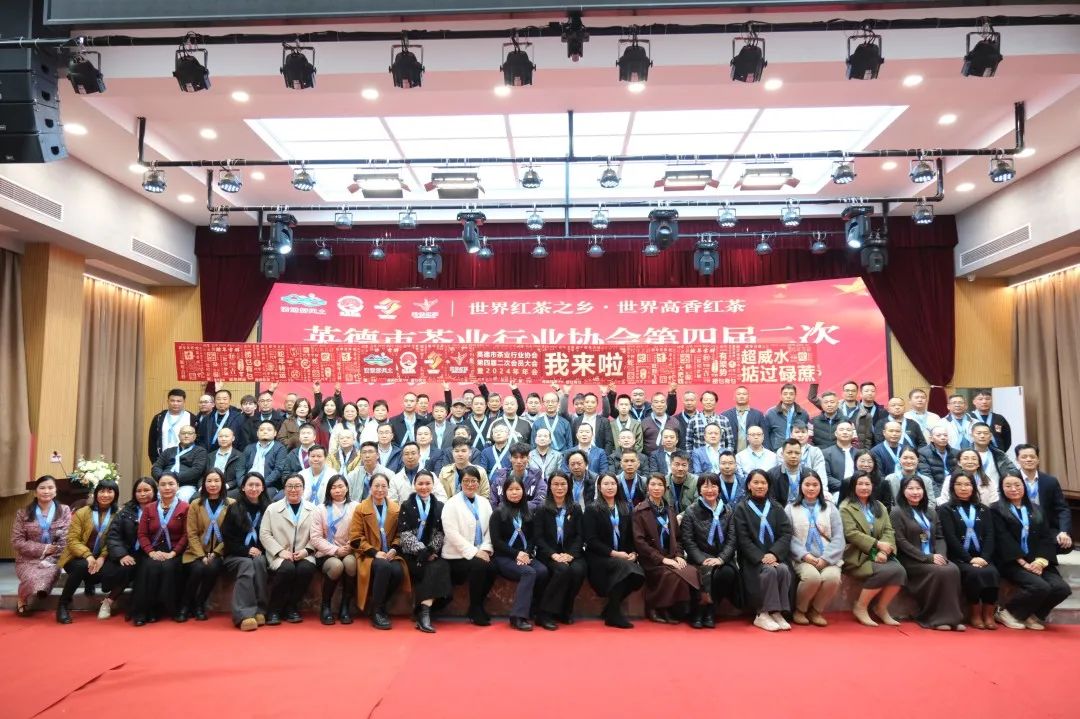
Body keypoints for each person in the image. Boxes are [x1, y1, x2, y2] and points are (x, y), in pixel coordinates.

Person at [991, 474, 1071, 630]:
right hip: (1012, 561)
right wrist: (1023, 563)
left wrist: (1040, 561)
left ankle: (1033, 616)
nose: (1013, 489)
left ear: (1024, 486)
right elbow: (1003, 538)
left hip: (1037, 560)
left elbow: (1045, 537)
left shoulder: (1036, 508)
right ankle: (1006, 612)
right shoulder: (996, 509)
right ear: (1002, 488)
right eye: (1008, 486)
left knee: (1062, 589)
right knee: (1040, 586)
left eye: (1017, 485)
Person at [890, 475, 966, 630]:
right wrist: (927, 557)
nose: (915, 492)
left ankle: (953, 619)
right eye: (910, 488)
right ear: (903, 491)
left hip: (933, 557)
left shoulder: (930, 511)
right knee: (939, 572)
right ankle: (934, 618)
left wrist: (941, 555)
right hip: (911, 559)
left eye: (918, 488)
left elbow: (939, 537)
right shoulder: (896, 512)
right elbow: (901, 541)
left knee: (952, 569)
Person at [632, 474, 701, 625]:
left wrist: (679, 555)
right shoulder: (640, 511)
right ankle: (657, 607)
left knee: (691, 571)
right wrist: (662, 559)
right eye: (653, 485)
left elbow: (678, 537)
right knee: (670, 575)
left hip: (671, 555)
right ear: (647, 488)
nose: (656, 488)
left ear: (665, 488)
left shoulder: (670, 510)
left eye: (660, 485)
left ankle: (682, 610)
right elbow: (639, 542)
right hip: (651, 559)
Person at [839, 471, 906, 627]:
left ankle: (881, 607)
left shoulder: (879, 506)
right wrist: (877, 545)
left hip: (880, 552)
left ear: (873, 486)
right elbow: (851, 534)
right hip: (857, 555)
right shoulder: (845, 507)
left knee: (900, 571)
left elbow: (888, 531)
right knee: (884, 572)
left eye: (867, 484)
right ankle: (860, 606)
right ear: (853, 486)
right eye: (860, 484)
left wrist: (883, 551)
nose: (864, 487)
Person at [487, 476, 552, 631]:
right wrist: (516, 554)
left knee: (543, 571)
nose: (514, 492)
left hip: (524, 556)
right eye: (511, 489)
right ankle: (517, 616)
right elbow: (497, 542)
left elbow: (532, 538)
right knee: (529, 572)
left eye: (518, 489)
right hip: (504, 557)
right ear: (505, 492)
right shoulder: (498, 513)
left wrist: (527, 553)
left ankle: (536, 611)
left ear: (524, 491)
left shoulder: (527, 512)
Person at [733, 469, 794, 632]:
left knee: (783, 569)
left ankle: (777, 612)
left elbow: (786, 532)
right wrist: (761, 557)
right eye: (756, 482)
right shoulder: (741, 508)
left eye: (763, 483)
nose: (760, 486)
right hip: (752, 559)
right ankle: (762, 613)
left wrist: (774, 554)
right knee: (769, 571)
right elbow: (743, 539)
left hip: (774, 556)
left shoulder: (776, 507)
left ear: (768, 485)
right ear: (748, 485)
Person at [583, 473, 645, 629]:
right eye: (606, 484)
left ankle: (611, 609)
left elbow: (630, 536)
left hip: (622, 556)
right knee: (624, 568)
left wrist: (633, 553)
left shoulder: (624, 507)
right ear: (599, 487)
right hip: (599, 557)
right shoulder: (592, 509)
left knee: (638, 575)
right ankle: (614, 615)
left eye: (613, 483)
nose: (610, 487)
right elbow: (591, 540)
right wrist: (615, 554)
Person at [940, 473, 1000, 630]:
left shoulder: (983, 509)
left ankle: (988, 614)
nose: (963, 488)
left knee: (992, 572)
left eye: (967, 484)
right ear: (952, 487)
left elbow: (990, 535)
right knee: (973, 574)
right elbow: (950, 537)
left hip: (983, 557)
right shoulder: (946, 509)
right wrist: (969, 559)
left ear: (973, 487)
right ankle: (975, 614)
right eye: (959, 484)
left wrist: (984, 557)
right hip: (960, 557)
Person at [680, 473, 739, 628]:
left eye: (713, 486)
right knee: (701, 572)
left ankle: (711, 610)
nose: (710, 490)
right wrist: (702, 559)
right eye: (705, 486)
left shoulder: (727, 510)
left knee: (726, 573)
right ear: (699, 490)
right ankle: (698, 611)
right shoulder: (691, 511)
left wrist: (721, 559)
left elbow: (732, 539)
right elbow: (687, 540)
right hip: (699, 558)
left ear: (719, 489)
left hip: (721, 558)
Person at [440, 466, 497, 626]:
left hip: (480, 551)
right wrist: (474, 552)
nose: (470, 484)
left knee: (493, 568)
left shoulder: (485, 503)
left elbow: (490, 530)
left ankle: (477, 605)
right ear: (460, 483)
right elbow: (451, 534)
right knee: (479, 565)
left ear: (479, 483)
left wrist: (485, 548)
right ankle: (476, 608)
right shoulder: (451, 504)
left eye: (474, 481)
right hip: (455, 555)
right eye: (466, 481)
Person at [56, 480, 119, 623]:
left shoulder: (118, 515)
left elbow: (114, 540)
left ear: (116, 494)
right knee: (82, 566)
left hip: (102, 558)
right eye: (102, 491)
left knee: (116, 568)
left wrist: (102, 557)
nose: (105, 495)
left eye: (110, 491)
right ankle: (63, 604)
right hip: (76, 556)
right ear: (96, 493)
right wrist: (88, 555)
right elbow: (72, 540)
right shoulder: (82, 512)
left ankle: (91, 583)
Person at [398, 469, 454, 633]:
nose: (424, 487)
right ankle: (424, 616)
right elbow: (404, 535)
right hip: (411, 554)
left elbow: (441, 533)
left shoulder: (440, 506)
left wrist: (430, 551)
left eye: (427, 483)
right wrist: (423, 552)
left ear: (433, 485)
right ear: (414, 485)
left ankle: (422, 610)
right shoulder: (406, 505)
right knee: (428, 569)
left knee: (441, 566)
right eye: (420, 483)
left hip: (432, 553)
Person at [785, 472, 843, 627]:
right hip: (802, 558)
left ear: (820, 487)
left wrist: (826, 558)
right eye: (807, 484)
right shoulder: (790, 508)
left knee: (832, 578)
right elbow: (788, 536)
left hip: (828, 558)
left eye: (815, 485)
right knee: (812, 578)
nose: (811, 488)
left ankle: (816, 611)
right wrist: (805, 555)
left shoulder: (830, 508)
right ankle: (800, 610)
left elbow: (839, 536)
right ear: (800, 486)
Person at [259, 473, 316, 625]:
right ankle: (274, 609)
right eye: (290, 486)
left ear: (303, 489)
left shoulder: (313, 509)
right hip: (279, 553)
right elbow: (264, 534)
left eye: (298, 486)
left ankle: (291, 607)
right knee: (287, 569)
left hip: (303, 553)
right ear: (284, 488)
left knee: (306, 569)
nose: (293, 489)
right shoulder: (272, 508)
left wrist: (307, 550)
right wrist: (280, 551)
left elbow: (318, 535)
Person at [134, 472, 189, 625]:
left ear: (178, 486)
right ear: (158, 487)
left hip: (175, 551)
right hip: (153, 551)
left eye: (171, 484)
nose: (167, 487)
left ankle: (171, 609)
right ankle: (146, 612)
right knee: (149, 568)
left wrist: (174, 553)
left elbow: (187, 534)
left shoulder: (185, 507)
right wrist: (151, 552)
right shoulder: (149, 508)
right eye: (163, 484)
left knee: (168, 568)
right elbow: (142, 534)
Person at [100, 477, 157, 621]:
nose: (142, 494)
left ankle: (138, 608)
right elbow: (113, 536)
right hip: (128, 552)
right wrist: (122, 555)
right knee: (127, 566)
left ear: (154, 491)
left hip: (150, 553)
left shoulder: (160, 509)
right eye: (138, 491)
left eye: (146, 490)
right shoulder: (126, 511)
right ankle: (108, 602)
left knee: (145, 568)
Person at [534, 472, 587, 625]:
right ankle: (543, 613)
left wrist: (571, 554)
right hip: (548, 553)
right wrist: (553, 555)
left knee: (578, 570)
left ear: (568, 486)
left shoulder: (575, 508)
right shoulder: (542, 508)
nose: (559, 487)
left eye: (563, 484)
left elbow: (580, 535)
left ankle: (565, 610)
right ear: (550, 486)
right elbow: (538, 537)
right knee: (562, 570)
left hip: (571, 552)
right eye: (555, 484)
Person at [182, 469, 235, 620]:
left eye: (217, 481)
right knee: (197, 569)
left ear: (222, 483)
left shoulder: (232, 504)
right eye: (209, 481)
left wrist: (216, 552)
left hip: (220, 551)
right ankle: (185, 605)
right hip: (196, 551)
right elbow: (191, 533)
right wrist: (201, 555)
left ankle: (199, 604)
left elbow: (231, 534)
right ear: (204, 484)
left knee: (212, 568)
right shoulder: (195, 504)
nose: (213, 484)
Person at [221, 472, 270, 631]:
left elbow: (272, 535)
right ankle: (244, 614)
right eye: (250, 485)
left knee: (259, 562)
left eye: (257, 485)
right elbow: (227, 539)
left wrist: (260, 550)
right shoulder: (234, 508)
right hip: (235, 555)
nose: (254, 488)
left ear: (263, 488)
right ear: (243, 487)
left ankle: (260, 610)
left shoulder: (269, 509)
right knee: (247, 564)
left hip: (261, 554)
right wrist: (247, 550)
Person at [311, 475, 359, 625]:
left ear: (347, 488)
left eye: (340, 486)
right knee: (337, 566)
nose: (337, 490)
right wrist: (336, 550)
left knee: (351, 564)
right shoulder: (320, 509)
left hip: (349, 550)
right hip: (326, 552)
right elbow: (315, 538)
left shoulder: (356, 507)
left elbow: (360, 531)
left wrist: (350, 546)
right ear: (328, 490)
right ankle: (326, 606)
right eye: (333, 487)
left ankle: (345, 606)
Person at [1014, 443, 1073, 552]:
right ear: (1017, 460)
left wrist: (1064, 531)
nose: (1028, 459)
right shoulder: (1011, 480)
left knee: (1064, 543)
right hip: (1019, 526)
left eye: (1032, 457)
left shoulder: (1050, 481)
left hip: (1045, 526)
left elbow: (1063, 508)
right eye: (1024, 457)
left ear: (1038, 459)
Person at [151, 425, 207, 503]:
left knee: (183, 497)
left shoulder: (200, 451)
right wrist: (163, 478)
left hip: (186, 485)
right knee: (155, 496)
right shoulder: (168, 451)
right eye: (183, 433)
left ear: (194, 436)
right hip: (165, 483)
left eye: (189, 433)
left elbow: (196, 470)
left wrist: (173, 479)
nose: (186, 435)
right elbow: (156, 467)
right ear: (179, 436)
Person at [490, 442, 548, 511]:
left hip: (529, 515)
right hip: (503, 516)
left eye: (522, 457)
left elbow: (541, 500)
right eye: (515, 457)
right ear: (510, 458)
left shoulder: (536, 478)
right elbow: (493, 503)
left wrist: (519, 508)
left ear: (528, 458)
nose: (519, 461)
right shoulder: (500, 479)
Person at [148, 388, 196, 464]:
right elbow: (152, 441)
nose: (175, 403)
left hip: (186, 461)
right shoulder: (158, 418)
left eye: (179, 401)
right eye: (172, 400)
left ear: (184, 402)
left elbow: (197, 440)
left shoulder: (192, 418)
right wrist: (155, 462)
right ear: (168, 401)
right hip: (163, 460)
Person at [241, 421, 287, 496]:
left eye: (269, 430)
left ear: (275, 433)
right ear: (257, 433)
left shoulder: (280, 448)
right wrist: (243, 483)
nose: (265, 432)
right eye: (261, 430)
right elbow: (240, 468)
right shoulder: (249, 448)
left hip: (268, 486)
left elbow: (278, 470)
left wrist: (261, 484)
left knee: (263, 496)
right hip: (248, 483)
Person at [762, 383, 810, 452]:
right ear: (781, 396)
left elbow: (806, 434)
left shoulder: (803, 414)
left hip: (797, 452)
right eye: (785, 394)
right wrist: (769, 451)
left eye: (791, 394)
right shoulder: (771, 413)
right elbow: (765, 435)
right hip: (776, 451)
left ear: (795, 396)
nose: (788, 396)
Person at [767, 438, 813, 506]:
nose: (793, 456)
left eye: (797, 453)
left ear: (801, 454)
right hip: (781, 510)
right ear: (782, 454)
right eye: (789, 453)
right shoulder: (771, 475)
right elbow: (771, 500)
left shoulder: (810, 474)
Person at [917, 424, 959, 498]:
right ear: (931, 438)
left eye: (945, 435)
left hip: (954, 489)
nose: (943, 438)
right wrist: (939, 496)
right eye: (938, 435)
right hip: (936, 491)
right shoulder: (922, 453)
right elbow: (927, 477)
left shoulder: (956, 453)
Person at [721, 386, 766, 453]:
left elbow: (765, 436)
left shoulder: (758, 415)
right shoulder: (725, 415)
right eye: (739, 394)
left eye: (744, 394)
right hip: (731, 453)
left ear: (749, 397)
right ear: (734, 397)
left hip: (753, 452)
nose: (741, 396)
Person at [822, 420, 857, 499]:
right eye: (841, 430)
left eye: (848, 430)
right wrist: (846, 486)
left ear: (853, 434)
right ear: (836, 433)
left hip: (858, 491)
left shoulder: (859, 454)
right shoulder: (826, 453)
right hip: (835, 492)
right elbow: (826, 476)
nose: (845, 432)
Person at [207, 427, 245, 494]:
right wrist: (201, 487)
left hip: (229, 489)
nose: (223, 439)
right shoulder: (210, 456)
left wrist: (227, 486)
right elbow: (203, 475)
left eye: (226, 436)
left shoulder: (240, 456)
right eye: (220, 436)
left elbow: (240, 477)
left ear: (233, 438)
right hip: (209, 487)